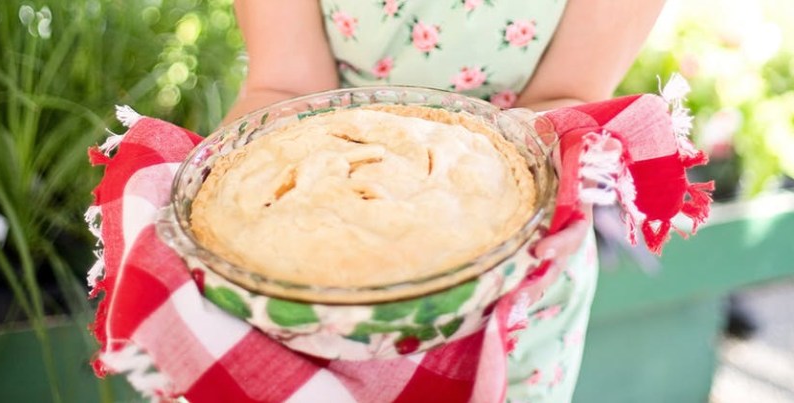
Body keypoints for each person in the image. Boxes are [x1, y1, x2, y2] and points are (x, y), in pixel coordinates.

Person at [225, 1, 666, 401]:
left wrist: (563, 181)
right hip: (313, 272)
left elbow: (564, 99)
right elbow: (287, 88)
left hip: (512, 266)